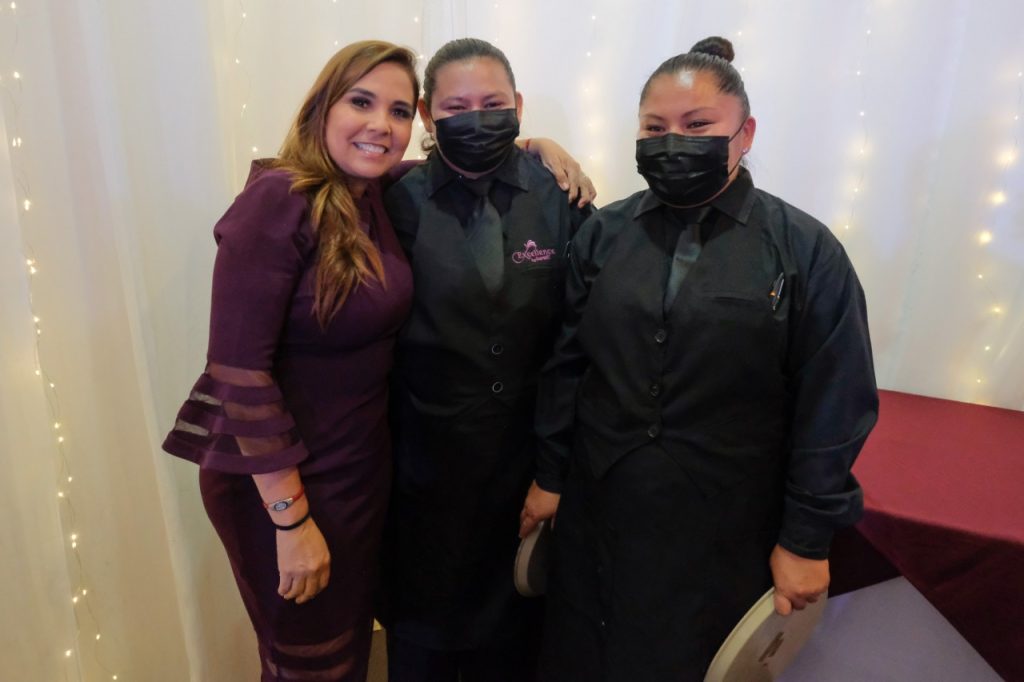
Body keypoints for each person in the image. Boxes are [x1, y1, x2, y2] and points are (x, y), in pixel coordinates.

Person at [520, 36, 879, 681]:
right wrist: (550, 476)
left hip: (725, 526)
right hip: (599, 511)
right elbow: (567, 367)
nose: (672, 142)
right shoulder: (603, 234)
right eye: (654, 128)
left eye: (697, 126)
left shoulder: (804, 250)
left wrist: (805, 538)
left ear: (745, 134)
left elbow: (835, 401)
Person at [380, 38, 594, 682]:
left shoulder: (559, 195)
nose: (477, 119)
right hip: (422, 472)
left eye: (493, 103)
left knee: (517, 645)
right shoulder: (392, 201)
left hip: (527, 469)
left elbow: (579, 341)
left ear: (518, 106)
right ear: (426, 114)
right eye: (456, 107)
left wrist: (555, 471)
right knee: (423, 649)